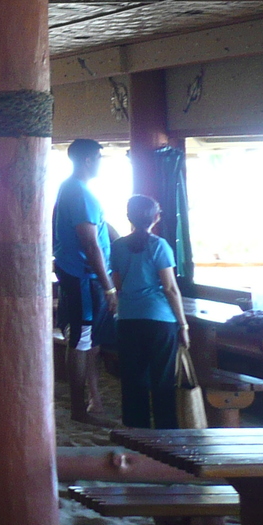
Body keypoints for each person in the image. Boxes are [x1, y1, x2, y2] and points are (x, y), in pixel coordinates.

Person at [53, 138, 120, 425]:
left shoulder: (70, 188)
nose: (102, 164)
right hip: (84, 278)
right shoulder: (80, 193)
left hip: (76, 274)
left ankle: (91, 401)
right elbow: (90, 244)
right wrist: (109, 286)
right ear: (89, 160)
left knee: (85, 340)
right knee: (80, 341)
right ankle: (79, 410)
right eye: (100, 158)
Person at [111, 194, 189, 429]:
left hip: (128, 319)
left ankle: (137, 432)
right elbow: (170, 288)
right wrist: (183, 324)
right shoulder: (159, 245)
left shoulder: (117, 247)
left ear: (128, 217)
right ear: (156, 218)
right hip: (160, 320)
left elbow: (118, 283)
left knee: (133, 381)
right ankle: (166, 434)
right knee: (162, 380)